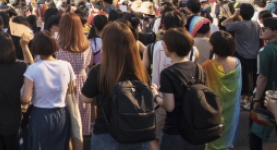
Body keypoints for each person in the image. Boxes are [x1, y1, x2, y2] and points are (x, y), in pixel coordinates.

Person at [81, 22, 153, 150]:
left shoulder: (100, 70)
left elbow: (86, 98)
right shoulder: (139, 69)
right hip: (139, 131)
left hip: (107, 132)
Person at [153, 28, 206, 150]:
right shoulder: (198, 69)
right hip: (196, 128)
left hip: (175, 130)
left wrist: (155, 95)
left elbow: (169, 106)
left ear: (170, 47)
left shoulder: (168, 73)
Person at [21, 30, 76, 150]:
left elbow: (25, 98)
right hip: (62, 114)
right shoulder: (66, 65)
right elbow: (73, 87)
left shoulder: (33, 69)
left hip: (40, 114)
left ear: (36, 47)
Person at [201, 31, 241, 150]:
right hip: (231, 110)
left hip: (213, 110)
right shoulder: (237, 63)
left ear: (213, 46)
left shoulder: (207, 65)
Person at [56, 13, 93, 139]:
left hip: (64, 84)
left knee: (66, 125)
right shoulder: (87, 45)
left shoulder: (57, 46)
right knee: (80, 127)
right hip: (83, 83)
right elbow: (90, 63)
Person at [222, 3, 260, 110]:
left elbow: (224, 24)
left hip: (242, 54)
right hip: (254, 54)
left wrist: (233, 15)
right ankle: (250, 98)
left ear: (241, 13)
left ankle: (243, 97)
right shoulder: (256, 24)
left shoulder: (239, 24)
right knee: (252, 77)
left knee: (242, 76)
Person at [250, 17, 277, 150]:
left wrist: (257, 99)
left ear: (275, 32)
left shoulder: (265, 51)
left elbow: (262, 77)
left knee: (256, 130)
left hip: (267, 96)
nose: (262, 30)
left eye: (265, 28)